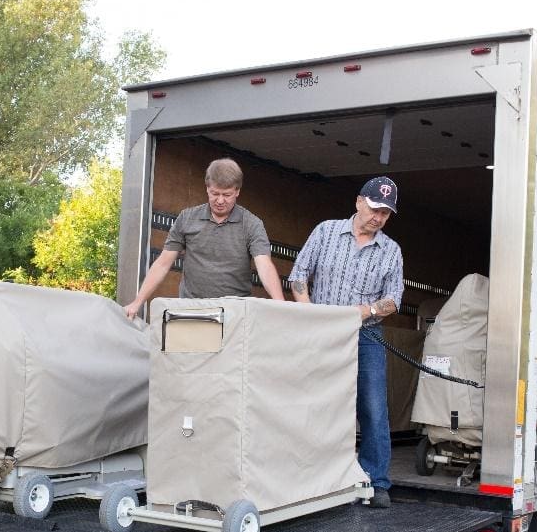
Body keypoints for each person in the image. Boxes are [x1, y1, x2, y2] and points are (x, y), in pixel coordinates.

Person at [288, 176, 404, 508]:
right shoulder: (325, 232)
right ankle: (316, 478)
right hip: (321, 334)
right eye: (374, 209)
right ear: (358, 202)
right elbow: (298, 276)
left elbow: (394, 300)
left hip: (366, 335)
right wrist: (309, 316)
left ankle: (376, 481)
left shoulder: (391, 251)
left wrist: (365, 310)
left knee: (372, 407)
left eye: (385, 213)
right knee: (318, 404)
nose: (378, 217)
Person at [123, 158, 285, 319]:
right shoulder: (186, 218)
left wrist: (281, 306)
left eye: (227, 195)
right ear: (207, 188)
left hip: (235, 312)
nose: (220, 200)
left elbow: (264, 265)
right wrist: (137, 302)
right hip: (191, 309)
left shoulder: (252, 224)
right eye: (215, 193)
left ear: (237, 191)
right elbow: (163, 263)